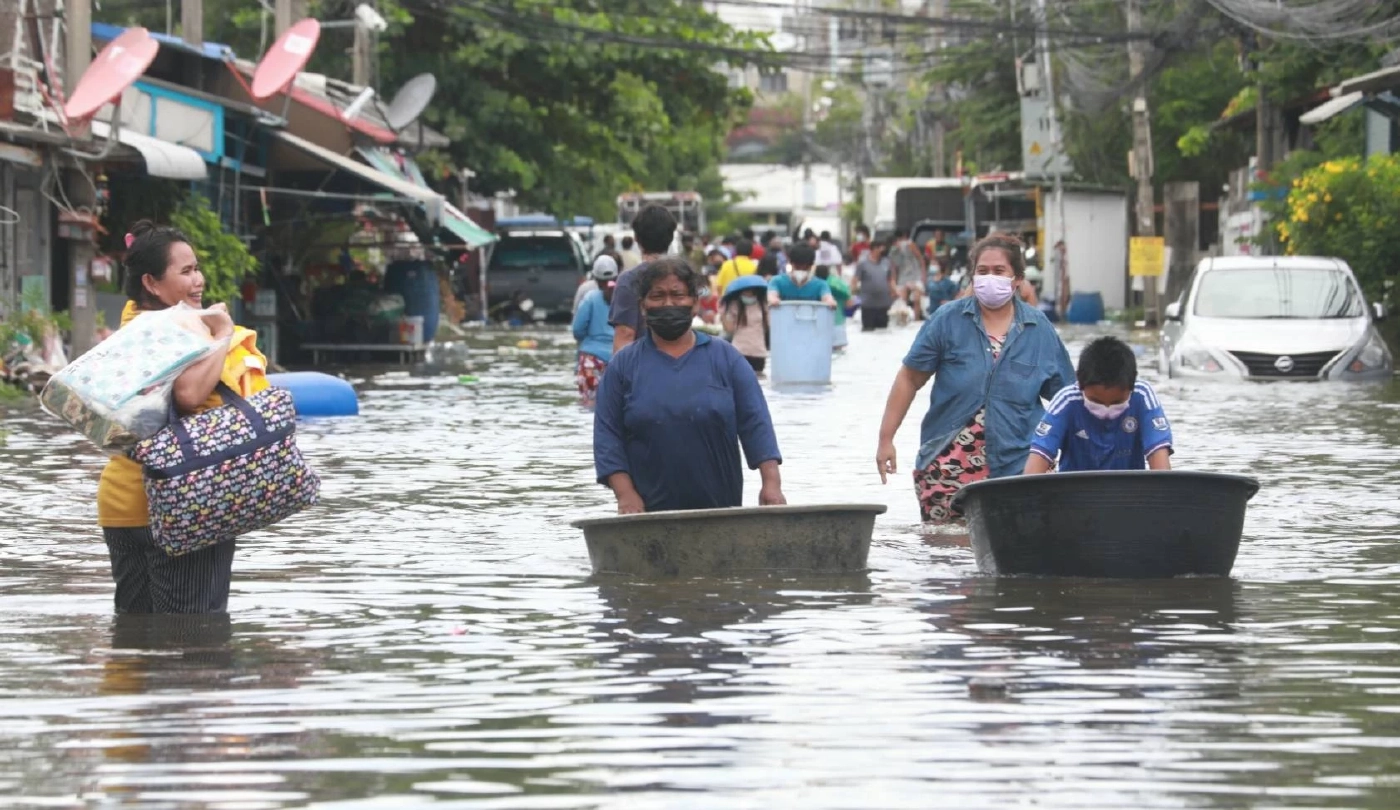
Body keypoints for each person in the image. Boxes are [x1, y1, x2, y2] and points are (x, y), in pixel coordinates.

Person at [98, 220, 270, 614]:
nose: (199, 280)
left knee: (135, 635)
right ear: (152, 283)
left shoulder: (131, 325)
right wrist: (224, 332)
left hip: (122, 505)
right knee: (193, 645)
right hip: (187, 504)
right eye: (187, 271)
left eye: (197, 269)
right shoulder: (181, 329)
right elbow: (190, 395)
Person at [875, 233, 1074, 524]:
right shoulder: (947, 321)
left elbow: (1066, 399)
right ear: (972, 276)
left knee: (1022, 547)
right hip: (947, 465)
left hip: (1021, 464)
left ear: (1017, 279)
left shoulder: (1038, 328)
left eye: (998, 271)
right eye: (982, 271)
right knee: (949, 557)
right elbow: (909, 378)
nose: (989, 278)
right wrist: (886, 439)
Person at [594, 257, 786, 513]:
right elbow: (607, 437)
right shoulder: (623, 367)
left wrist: (771, 484)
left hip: (720, 512)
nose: (668, 303)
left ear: (694, 304)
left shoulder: (727, 359)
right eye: (658, 296)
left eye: (678, 295)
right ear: (642, 307)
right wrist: (625, 494)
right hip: (645, 517)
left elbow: (756, 422)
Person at [1025, 336, 1173, 474]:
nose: (1106, 410)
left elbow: (1160, 465)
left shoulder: (1142, 397)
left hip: (1129, 495)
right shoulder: (1066, 402)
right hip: (1073, 495)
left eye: (1117, 402)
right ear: (1080, 383)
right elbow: (1037, 463)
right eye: (1096, 402)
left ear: (1132, 384)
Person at [608, 204, 679, 354]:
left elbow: (625, 335)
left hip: (642, 369)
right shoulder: (684, 277)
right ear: (671, 237)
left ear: (636, 238)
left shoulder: (629, 280)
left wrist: (617, 375)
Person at [572, 255, 619, 407]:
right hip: (618, 359)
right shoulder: (626, 299)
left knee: (589, 405)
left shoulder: (590, 298)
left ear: (596, 279)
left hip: (590, 361)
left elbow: (577, 330)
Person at [721, 278, 770, 374]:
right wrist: (723, 315)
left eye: (751, 292)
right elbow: (729, 329)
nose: (749, 294)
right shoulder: (734, 306)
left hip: (758, 351)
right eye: (746, 292)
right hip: (739, 350)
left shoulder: (763, 306)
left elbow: (769, 325)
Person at [767, 243, 836, 308]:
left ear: (811, 266)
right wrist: (773, 299)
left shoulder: (821, 285)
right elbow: (772, 295)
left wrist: (829, 301)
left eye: (805, 268)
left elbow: (827, 297)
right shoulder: (777, 281)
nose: (801, 270)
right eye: (797, 267)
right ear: (790, 263)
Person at [853, 239, 898, 331]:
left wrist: (894, 291)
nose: (883, 251)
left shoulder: (886, 262)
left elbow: (890, 279)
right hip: (868, 305)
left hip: (884, 305)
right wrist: (852, 295)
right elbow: (855, 280)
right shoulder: (863, 264)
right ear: (874, 249)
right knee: (868, 332)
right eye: (880, 249)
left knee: (883, 332)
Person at [890, 229, 928, 320]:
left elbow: (920, 259)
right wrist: (894, 282)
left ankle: (916, 318)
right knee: (902, 298)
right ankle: (903, 319)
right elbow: (894, 268)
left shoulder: (910, 245)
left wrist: (923, 275)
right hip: (903, 277)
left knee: (916, 297)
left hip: (915, 275)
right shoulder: (893, 251)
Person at [818, 263, 852, 350]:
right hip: (838, 323)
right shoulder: (837, 283)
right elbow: (848, 299)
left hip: (820, 325)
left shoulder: (816, 285)